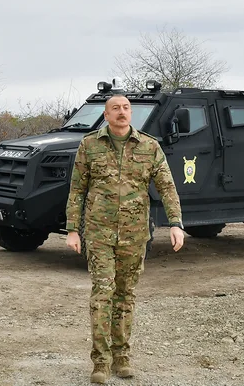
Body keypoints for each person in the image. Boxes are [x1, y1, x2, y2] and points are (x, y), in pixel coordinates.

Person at [65, 94, 184, 384]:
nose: (121, 112)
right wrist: (71, 229)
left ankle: (122, 357)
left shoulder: (149, 146)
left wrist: (176, 223)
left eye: (126, 108)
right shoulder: (90, 145)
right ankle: (101, 363)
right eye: (115, 108)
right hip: (99, 234)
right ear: (105, 115)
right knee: (102, 293)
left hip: (134, 235)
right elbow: (77, 189)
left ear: (132, 114)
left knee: (126, 296)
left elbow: (167, 187)